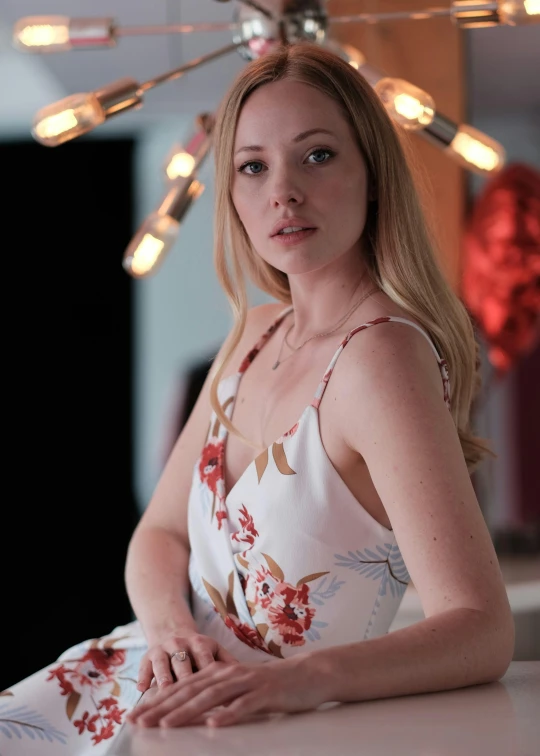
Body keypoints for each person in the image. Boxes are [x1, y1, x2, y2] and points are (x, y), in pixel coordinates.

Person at [2, 42, 515, 752]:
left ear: (372, 174)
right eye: (253, 166)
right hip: (137, 676)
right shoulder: (254, 333)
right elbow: (160, 535)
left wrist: (300, 679)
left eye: (317, 155)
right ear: (234, 194)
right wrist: (172, 630)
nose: (283, 192)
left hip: (250, 725)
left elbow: (481, 629)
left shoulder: (382, 358)